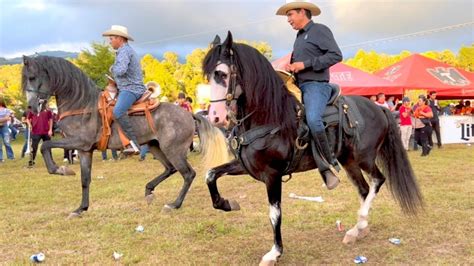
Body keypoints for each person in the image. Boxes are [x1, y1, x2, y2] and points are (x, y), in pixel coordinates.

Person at [277, 0, 342, 189]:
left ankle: (330, 163)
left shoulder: (320, 30)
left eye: (290, 15)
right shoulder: (299, 37)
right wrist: (290, 68)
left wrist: (304, 64)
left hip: (316, 86)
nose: (288, 19)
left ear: (302, 12)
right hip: (298, 85)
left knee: (313, 120)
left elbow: (336, 55)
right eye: (287, 16)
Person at [102, 25, 146, 155]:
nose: (110, 42)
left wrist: (112, 69)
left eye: (111, 39)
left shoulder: (124, 51)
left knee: (118, 111)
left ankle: (134, 143)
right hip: (127, 88)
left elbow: (121, 70)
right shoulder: (125, 51)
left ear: (119, 38)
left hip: (131, 89)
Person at [27, 102, 53, 167]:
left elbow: (51, 120)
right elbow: (27, 119)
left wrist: (50, 129)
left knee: (48, 147)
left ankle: (50, 161)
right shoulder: (33, 110)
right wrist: (29, 125)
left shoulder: (47, 111)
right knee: (34, 147)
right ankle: (31, 161)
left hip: (46, 131)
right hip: (36, 132)